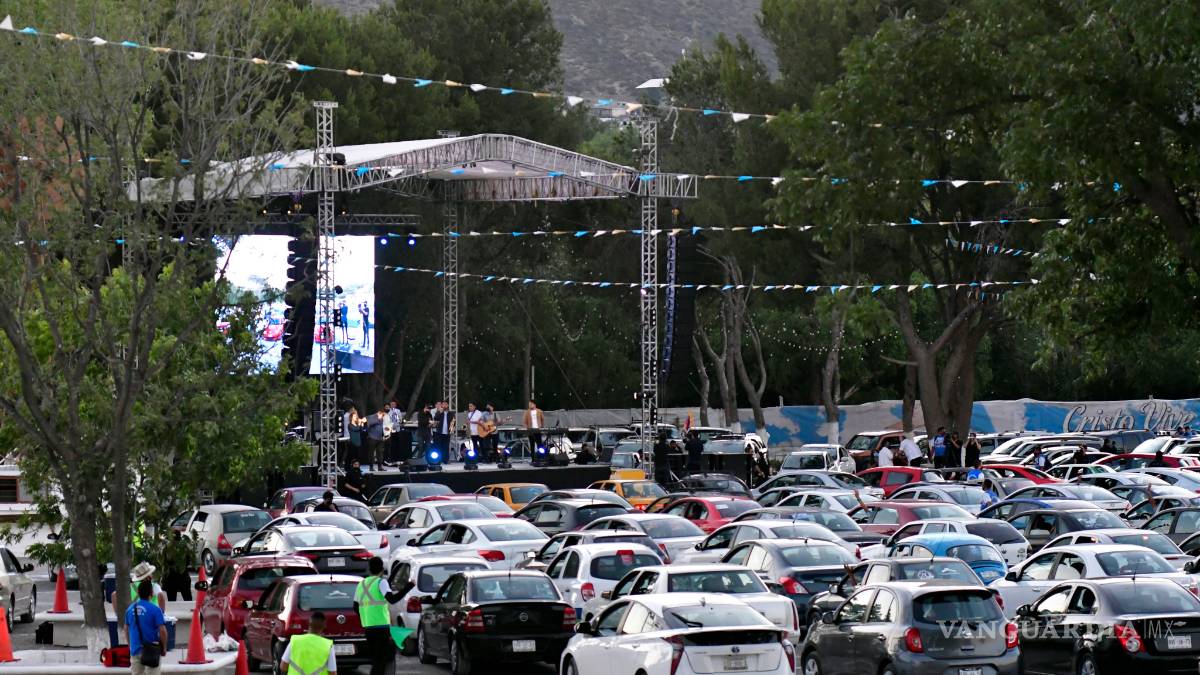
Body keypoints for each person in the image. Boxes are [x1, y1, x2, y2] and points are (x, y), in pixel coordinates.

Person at [354, 557, 405, 675]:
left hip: (368, 627)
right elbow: (392, 599)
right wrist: (409, 587)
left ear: (369, 569)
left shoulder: (361, 584)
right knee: (381, 660)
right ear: (382, 569)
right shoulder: (381, 582)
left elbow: (355, 607)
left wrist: (367, 616)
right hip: (382, 627)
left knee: (376, 659)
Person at [126, 579, 168, 675]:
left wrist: (130, 645)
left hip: (135, 649)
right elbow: (162, 630)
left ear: (139, 593)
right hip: (151, 650)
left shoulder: (130, 609)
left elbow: (126, 628)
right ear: (151, 593)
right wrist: (164, 647)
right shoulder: (155, 610)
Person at [281, 610, 336, 675]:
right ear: (324, 626)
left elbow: (283, 666)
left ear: (308, 623)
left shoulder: (295, 641)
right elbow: (332, 673)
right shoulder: (328, 646)